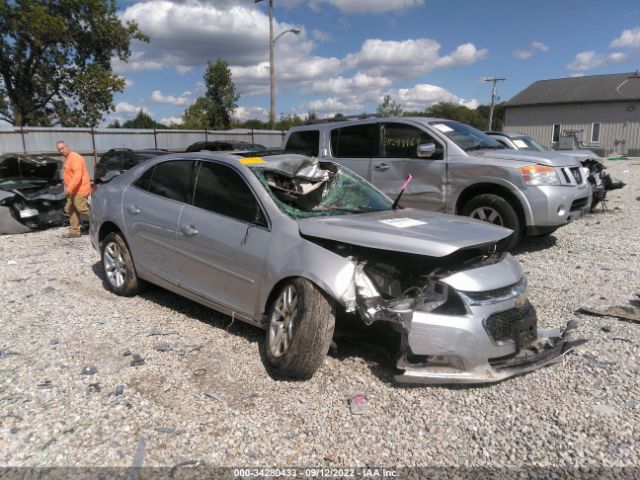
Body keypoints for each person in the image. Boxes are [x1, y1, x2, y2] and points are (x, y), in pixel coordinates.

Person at [56, 141, 90, 238]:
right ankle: (75, 231)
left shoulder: (75, 157)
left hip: (80, 189)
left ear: (67, 146)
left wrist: (69, 189)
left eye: (62, 148)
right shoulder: (68, 158)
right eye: (59, 149)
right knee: (71, 209)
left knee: (82, 209)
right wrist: (67, 188)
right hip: (72, 190)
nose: (61, 151)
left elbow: (77, 176)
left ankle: (102, 220)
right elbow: (69, 176)